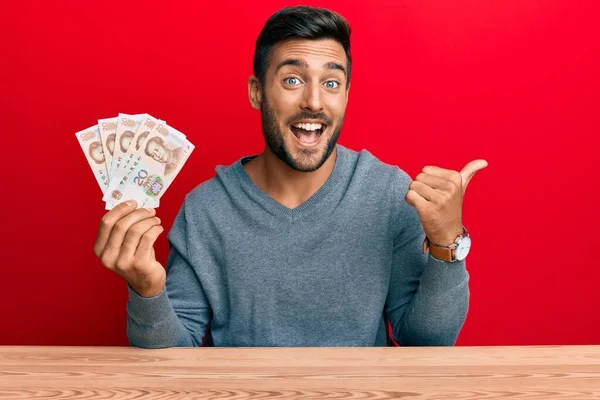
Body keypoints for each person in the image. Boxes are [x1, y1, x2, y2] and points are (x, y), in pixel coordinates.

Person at [93, 6, 487, 348]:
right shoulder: (206, 209)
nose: (314, 101)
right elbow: (175, 353)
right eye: (292, 80)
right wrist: (148, 290)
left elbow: (427, 341)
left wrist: (445, 244)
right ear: (256, 92)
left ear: (346, 95)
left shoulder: (388, 193)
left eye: (331, 83)